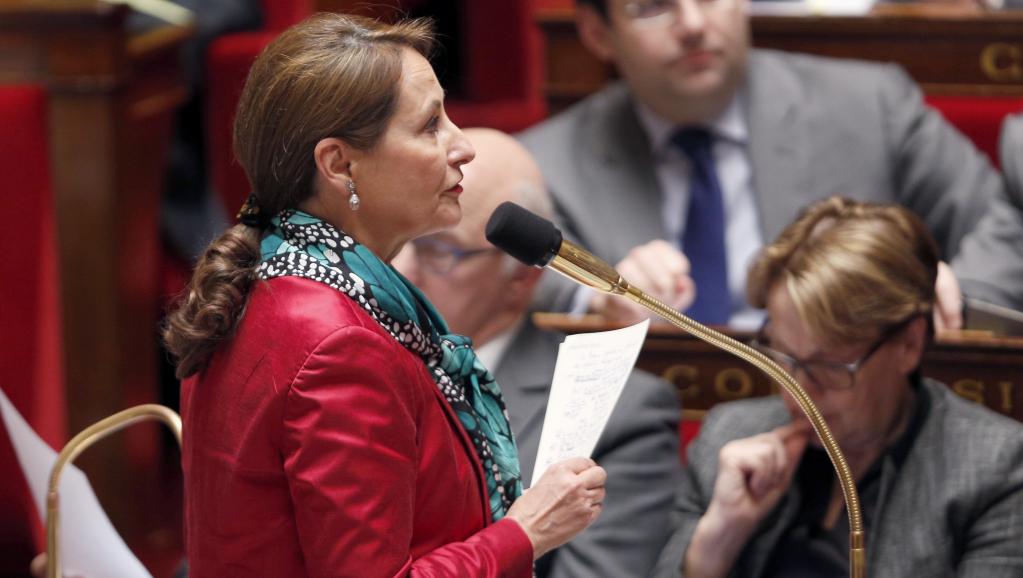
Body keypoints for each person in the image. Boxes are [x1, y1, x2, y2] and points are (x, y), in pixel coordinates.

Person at [162, 14, 607, 578]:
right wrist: (526, 532)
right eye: (430, 127)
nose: (463, 145)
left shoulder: (277, 274)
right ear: (339, 164)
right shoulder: (339, 342)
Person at [518, 0, 1023, 328]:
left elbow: (1003, 226)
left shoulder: (872, 108)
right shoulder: (545, 162)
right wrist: (599, 302)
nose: (693, 24)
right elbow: (495, 281)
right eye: (653, 7)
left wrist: (954, 295)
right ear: (597, 32)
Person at [649, 197, 1023, 578]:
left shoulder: (993, 469)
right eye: (783, 357)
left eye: (827, 367)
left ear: (909, 344)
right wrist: (718, 539)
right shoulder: (729, 442)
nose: (797, 395)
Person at [392, 128, 683, 578]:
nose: (402, 268)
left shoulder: (619, 414)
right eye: (400, 238)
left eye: (437, 250)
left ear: (521, 279)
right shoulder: (356, 361)